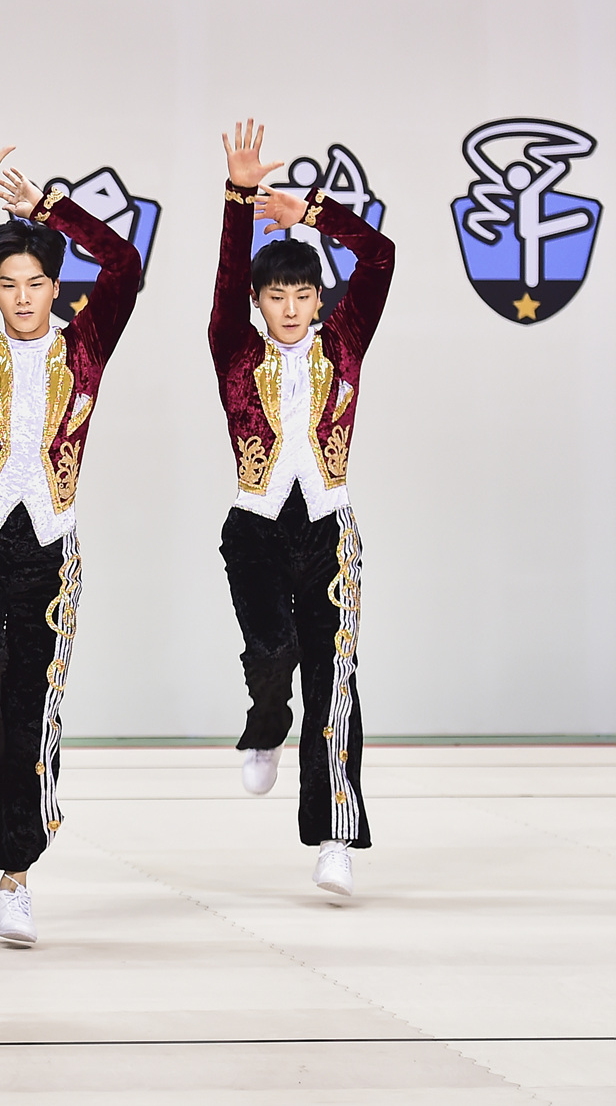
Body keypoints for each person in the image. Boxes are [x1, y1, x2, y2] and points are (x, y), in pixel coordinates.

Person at [0, 108, 141, 947]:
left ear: (56, 287)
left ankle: (14, 881)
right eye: (7, 285)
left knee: (35, 717)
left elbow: (125, 263)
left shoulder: (85, 349)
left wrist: (51, 207)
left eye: (35, 283)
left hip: (51, 551)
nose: (21, 297)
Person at [211, 119, 394, 897]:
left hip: (330, 530)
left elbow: (379, 256)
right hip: (254, 529)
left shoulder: (344, 344)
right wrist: (239, 197)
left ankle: (334, 837)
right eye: (275, 295)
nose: (289, 307)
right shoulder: (234, 348)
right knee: (274, 654)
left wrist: (310, 211)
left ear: (321, 299)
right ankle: (264, 723)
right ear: (258, 302)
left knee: (335, 678)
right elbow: (226, 278)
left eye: (302, 294)